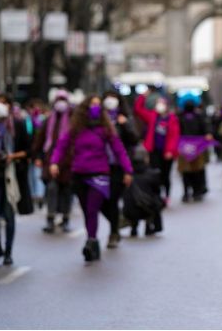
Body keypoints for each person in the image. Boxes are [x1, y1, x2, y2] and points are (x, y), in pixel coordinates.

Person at [50, 95, 133, 261]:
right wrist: (54, 162)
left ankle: (91, 240)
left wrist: (128, 171)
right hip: (79, 174)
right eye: (92, 104)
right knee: (86, 211)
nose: (95, 107)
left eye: (98, 105)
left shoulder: (106, 129)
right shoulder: (76, 129)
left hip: (100, 175)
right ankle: (92, 240)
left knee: (92, 209)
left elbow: (119, 150)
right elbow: (61, 145)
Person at [0, 94, 32, 265]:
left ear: (10, 106)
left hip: (11, 176)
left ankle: (8, 251)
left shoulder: (18, 124)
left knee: (9, 215)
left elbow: (27, 150)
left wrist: (12, 156)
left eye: (4, 103)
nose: (0, 106)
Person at [32, 90, 73, 234]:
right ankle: (50, 219)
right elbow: (40, 140)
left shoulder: (73, 120)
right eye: (58, 100)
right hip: (50, 161)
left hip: (69, 162)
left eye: (63, 100)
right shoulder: (49, 120)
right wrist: (37, 157)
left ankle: (66, 219)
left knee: (67, 191)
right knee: (51, 189)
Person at [102, 90, 138, 248]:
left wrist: (125, 125)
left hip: (118, 165)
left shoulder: (124, 118)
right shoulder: (98, 119)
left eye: (114, 98)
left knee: (113, 199)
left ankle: (113, 232)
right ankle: (118, 222)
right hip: (100, 165)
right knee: (101, 201)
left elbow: (134, 139)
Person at [134, 91, 180, 205]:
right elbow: (138, 110)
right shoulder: (152, 117)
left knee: (166, 175)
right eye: (158, 103)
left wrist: (170, 151)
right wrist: (142, 97)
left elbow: (174, 136)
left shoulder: (172, 118)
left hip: (166, 152)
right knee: (155, 173)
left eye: (162, 103)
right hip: (154, 151)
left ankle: (167, 195)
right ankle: (157, 195)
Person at [178, 99, 212, 201]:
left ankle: (190, 192)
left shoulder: (181, 116)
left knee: (189, 171)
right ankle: (195, 191)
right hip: (193, 147)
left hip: (188, 147)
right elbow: (206, 128)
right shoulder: (198, 116)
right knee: (193, 171)